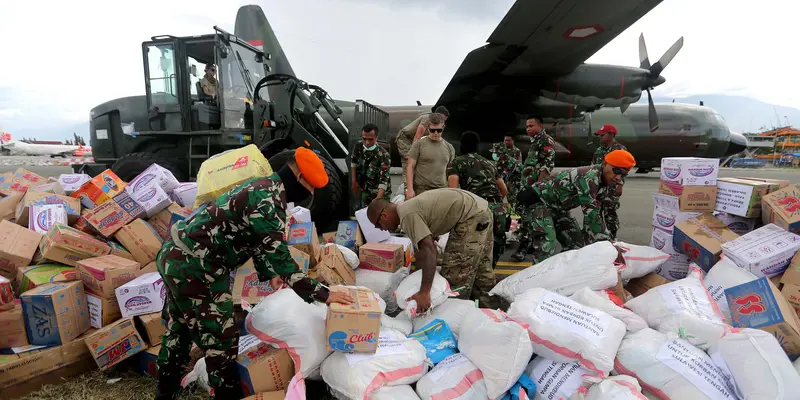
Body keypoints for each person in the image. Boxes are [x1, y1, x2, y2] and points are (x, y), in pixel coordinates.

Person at [154, 148, 354, 400]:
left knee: (180, 326)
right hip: (196, 267)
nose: (310, 194)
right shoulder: (268, 203)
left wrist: (269, 273)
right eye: (311, 188)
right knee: (221, 339)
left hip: (175, 255)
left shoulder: (264, 185)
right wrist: (325, 294)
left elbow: (256, 239)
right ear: (299, 177)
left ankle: (165, 391)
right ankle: (227, 395)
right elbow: (283, 260)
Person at [367, 188, 506, 312]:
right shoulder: (408, 208)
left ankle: (457, 318)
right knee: (482, 273)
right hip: (481, 210)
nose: (382, 229)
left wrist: (424, 292)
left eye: (378, 225)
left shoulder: (406, 215)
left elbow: (428, 250)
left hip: (470, 217)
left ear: (384, 215)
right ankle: (494, 316)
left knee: (456, 275)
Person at [516, 150, 637, 263]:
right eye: (616, 171)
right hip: (535, 200)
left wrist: (597, 244)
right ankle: (537, 281)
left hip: (556, 207)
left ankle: (566, 276)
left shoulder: (606, 182)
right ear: (605, 164)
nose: (618, 177)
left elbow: (594, 218)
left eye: (623, 174)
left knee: (576, 245)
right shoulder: (589, 177)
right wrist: (609, 244)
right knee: (547, 243)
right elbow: (590, 213)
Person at [448, 131, 509, 267]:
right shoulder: (489, 163)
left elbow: (453, 191)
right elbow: (504, 190)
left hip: (477, 208)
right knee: (494, 246)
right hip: (498, 209)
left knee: (473, 247)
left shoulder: (457, 162)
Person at [511, 116, 556, 261]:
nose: (528, 129)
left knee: (529, 216)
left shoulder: (545, 141)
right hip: (529, 185)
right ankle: (527, 244)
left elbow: (547, 165)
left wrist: (538, 187)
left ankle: (523, 247)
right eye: (527, 126)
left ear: (540, 126)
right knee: (527, 216)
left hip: (535, 188)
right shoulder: (535, 141)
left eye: (531, 126)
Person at [395, 106, 450, 185]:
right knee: (409, 160)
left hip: (411, 139)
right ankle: (407, 188)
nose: (442, 121)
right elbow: (417, 136)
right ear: (437, 115)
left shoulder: (435, 124)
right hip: (405, 138)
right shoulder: (427, 119)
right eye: (442, 118)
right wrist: (415, 152)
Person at [405, 112, 455, 199]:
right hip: (421, 189)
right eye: (432, 130)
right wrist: (410, 189)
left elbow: (450, 171)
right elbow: (410, 166)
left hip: (441, 190)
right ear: (428, 128)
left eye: (439, 130)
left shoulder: (449, 148)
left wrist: (451, 193)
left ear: (443, 127)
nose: (436, 133)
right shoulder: (419, 144)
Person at [591, 124, 627, 240]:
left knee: (610, 212)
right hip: (598, 185)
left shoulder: (620, 150)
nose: (600, 137)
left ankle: (612, 236)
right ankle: (600, 236)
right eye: (599, 135)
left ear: (611, 135)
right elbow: (593, 167)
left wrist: (620, 185)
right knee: (596, 210)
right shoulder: (599, 150)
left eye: (603, 135)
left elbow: (623, 169)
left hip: (612, 186)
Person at [350, 123, 392, 209]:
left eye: (370, 139)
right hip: (366, 188)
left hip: (380, 192)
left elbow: (384, 181)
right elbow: (354, 161)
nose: (367, 143)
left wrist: (378, 200)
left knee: (379, 215)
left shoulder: (384, 155)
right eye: (364, 139)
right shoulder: (359, 146)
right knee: (364, 214)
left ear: (376, 138)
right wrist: (354, 181)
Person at [491, 134, 523, 207]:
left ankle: (512, 215)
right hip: (502, 179)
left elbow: (516, 166)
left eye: (509, 140)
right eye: (505, 140)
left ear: (513, 141)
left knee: (511, 200)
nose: (506, 142)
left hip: (513, 180)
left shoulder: (516, 151)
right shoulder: (501, 151)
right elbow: (497, 165)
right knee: (500, 198)